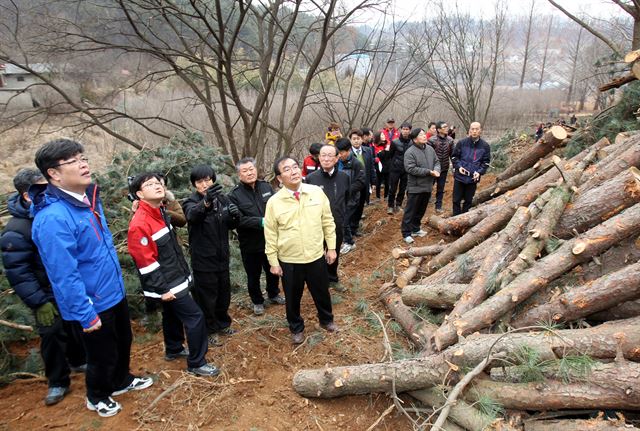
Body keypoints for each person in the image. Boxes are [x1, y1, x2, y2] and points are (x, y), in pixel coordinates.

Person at [30, 139, 153, 417]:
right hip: (92, 302)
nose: (83, 164)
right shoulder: (53, 218)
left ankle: (121, 380)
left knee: (123, 341)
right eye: (72, 161)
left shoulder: (88, 200)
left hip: (111, 291)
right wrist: (85, 314)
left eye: (82, 157)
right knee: (100, 354)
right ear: (54, 174)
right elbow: (64, 275)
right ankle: (97, 396)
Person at [1, 168, 86, 406]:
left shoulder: (56, 213)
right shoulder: (16, 230)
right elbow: (18, 272)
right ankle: (57, 381)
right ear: (28, 195)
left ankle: (79, 360)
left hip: (67, 284)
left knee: (76, 325)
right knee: (51, 333)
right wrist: (39, 301)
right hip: (45, 292)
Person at [127, 173, 219, 377]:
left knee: (171, 315)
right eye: (149, 185)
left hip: (176, 276)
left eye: (158, 183)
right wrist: (162, 289)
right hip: (167, 283)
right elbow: (145, 262)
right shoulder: (140, 223)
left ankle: (174, 348)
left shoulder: (159, 211)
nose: (157, 186)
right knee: (195, 317)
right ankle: (197, 362)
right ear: (140, 194)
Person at [264, 156, 338, 345]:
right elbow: (270, 233)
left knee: (322, 291)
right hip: (290, 259)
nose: (294, 171)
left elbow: (328, 221)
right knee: (292, 297)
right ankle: (296, 328)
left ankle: (327, 320)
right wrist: (273, 261)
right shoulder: (274, 202)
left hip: (315, 255)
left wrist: (331, 247)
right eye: (287, 169)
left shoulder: (316, 193)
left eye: (295, 167)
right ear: (279, 178)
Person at [182, 165, 240, 347]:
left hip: (222, 257)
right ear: (194, 185)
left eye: (207, 180)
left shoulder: (222, 199)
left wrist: (234, 216)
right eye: (199, 181)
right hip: (203, 260)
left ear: (213, 180)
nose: (204, 184)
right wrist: (205, 202)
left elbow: (229, 225)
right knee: (207, 297)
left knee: (223, 294)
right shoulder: (190, 202)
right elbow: (192, 216)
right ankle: (209, 329)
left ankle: (223, 324)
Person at [228, 158, 285, 316]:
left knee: (273, 269)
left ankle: (273, 294)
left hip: (270, 240)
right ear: (239, 175)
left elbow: (276, 207)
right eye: (245, 171)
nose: (249, 173)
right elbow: (238, 220)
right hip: (250, 243)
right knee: (253, 274)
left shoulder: (266, 186)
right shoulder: (234, 195)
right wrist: (261, 222)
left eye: (251, 169)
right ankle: (257, 301)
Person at [306, 144, 351, 292]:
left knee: (334, 251)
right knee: (318, 254)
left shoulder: (344, 177)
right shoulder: (310, 179)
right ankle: (319, 281)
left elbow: (347, 197)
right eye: (323, 155)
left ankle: (332, 278)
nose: (326, 159)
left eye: (330, 155)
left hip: (337, 222)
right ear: (319, 157)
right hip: (315, 224)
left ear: (337, 158)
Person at [401, 128, 441, 244]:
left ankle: (416, 229)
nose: (424, 136)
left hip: (428, 185)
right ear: (414, 139)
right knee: (410, 211)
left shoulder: (429, 149)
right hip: (415, 187)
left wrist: (436, 170)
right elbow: (410, 168)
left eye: (424, 134)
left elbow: (437, 162)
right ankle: (406, 233)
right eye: (421, 135)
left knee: (421, 209)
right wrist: (428, 172)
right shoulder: (410, 152)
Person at [451, 122, 491, 215]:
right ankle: (455, 219)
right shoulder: (461, 143)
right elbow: (454, 157)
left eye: (476, 129)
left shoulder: (485, 146)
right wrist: (459, 167)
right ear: (469, 130)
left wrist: (480, 172)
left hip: (473, 177)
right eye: (472, 129)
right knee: (456, 200)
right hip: (460, 176)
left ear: (480, 130)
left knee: (468, 201)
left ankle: (464, 219)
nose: (474, 131)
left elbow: (486, 162)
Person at [335, 138, 366, 254]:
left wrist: (347, 190)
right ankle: (344, 239)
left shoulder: (356, 163)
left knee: (344, 220)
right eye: (337, 153)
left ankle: (349, 242)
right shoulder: (336, 162)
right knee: (339, 220)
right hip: (337, 197)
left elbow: (361, 182)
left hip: (351, 198)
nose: (339, 155)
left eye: (341, 153)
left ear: (348, 151)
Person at [349, 129, 376, 234]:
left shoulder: (367, 150)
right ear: (350, 140)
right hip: (353, 184)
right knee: (352, 206)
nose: (356, 141)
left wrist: (373, 182)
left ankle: (355, 228)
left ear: (362, 139)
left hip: (365, 183)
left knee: (360, 206)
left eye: (358, 139)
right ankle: (349, 229)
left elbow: (371, 167)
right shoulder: (348, 153)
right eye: (354, 139)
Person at [428, 121, 454, 213]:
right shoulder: (431, 140)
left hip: (444, 168)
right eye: (444, 127)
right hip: (433, 168)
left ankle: (438, 206)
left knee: (441, 188)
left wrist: (454, 167)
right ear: (439, 130)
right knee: (428, 186)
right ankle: (424, 202)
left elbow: (452, 155)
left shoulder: (450, 140)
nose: (447, 128)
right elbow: (428, 155)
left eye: (447, 126)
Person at [386, 121, 412, 214]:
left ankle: (398, 204)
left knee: (402, 188)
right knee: (392, 188)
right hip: (395, 169)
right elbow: (390, 155)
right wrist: (392, 166)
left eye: (407, 129)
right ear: (401, 130)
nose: (405, 131)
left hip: (406, 169)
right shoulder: (395, 142)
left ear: (410, 131)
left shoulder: (412, 143)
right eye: (404, 129)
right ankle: (390, 205)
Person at [371, 131, 391, 199]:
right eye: (382, 135)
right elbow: (376, 156)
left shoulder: (387, 144)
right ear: (378, 137)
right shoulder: (374, 146)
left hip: (387, 165)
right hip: (379, 166)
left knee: (387, 182)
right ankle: (378, 196)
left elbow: (389, 155)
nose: (384, 136)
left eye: (384, 135)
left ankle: (386, 195)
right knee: (378, 181)